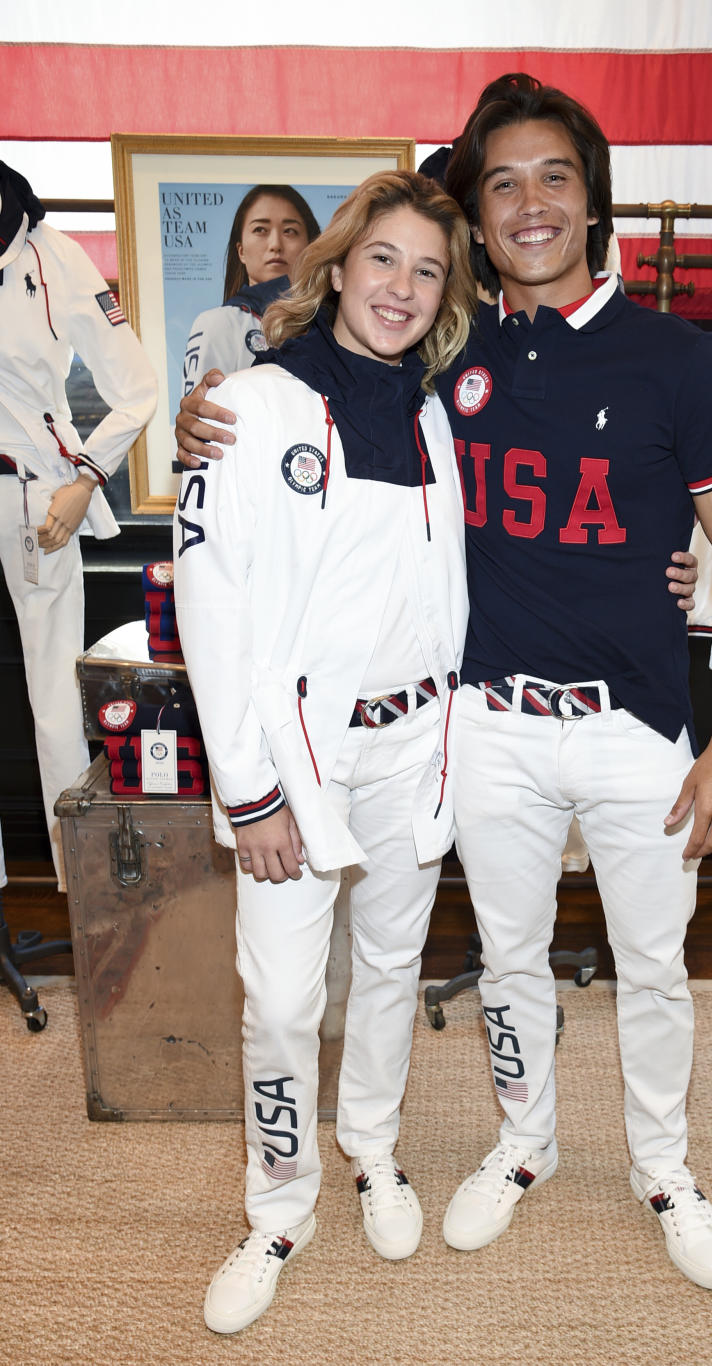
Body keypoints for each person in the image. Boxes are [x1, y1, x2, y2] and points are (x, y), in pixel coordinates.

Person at [175, 73, 712, 1294]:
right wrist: (202, 415)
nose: (530, 203)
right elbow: (284, 452)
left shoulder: (671, 358)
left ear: (595, 203)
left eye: (556, 177)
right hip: (478, 728)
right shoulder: (441, 354)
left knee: (648, 965)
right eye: (501, 183)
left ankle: (660, 1162)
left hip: (628, 727)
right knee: (492, 963)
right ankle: (511, 1145)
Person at [174, 169, 476, 1334]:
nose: (401, 286)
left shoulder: (441, 415)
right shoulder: (247, 404)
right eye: (383, 259)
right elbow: (213, 607)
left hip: (416, 744)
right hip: (292, 761)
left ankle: (375, 1151)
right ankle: (278, 1205)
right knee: (286, 997)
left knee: (393, 967)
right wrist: (248, 795)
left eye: (427, 268)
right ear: (338, 265)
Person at [0, 160, 157, 889]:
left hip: (34, 496)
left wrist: (87, 476)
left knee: (57, 699)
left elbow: (136, 387)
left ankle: (83, 895)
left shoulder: (52, 256)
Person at [181, 184, 321, 398]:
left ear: (310, 247)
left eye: (290, 231)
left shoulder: (330, 327)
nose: (275, 244)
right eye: (260, 230)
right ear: (241, 251)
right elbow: (199, 420)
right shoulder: (218, 324)